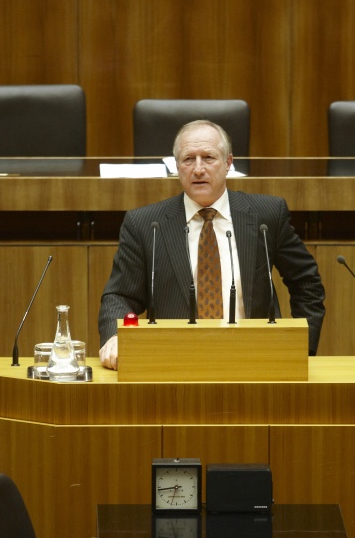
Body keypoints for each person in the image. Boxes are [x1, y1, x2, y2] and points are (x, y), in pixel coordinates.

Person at [99, 120, 325, 369]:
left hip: (255, 359)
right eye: (188, 159)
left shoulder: (267, 214)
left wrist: (303, 348)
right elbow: (120, 295)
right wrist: (115, 336)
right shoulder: (144, 224)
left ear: (228, 162)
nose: (198, 169)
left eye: (208, 157)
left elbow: (306, 281)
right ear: (177, 166)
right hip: (173, 362)